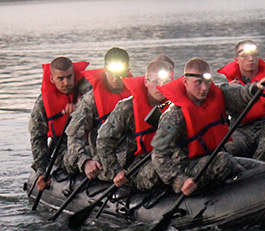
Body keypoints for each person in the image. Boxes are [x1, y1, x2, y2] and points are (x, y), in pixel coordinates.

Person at [152, 58, 265, 196]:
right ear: (185, 82)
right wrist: (179, 181)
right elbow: (158, 154)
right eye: (198, 83)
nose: (204, 88)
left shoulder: (216, 96)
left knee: (264, 169)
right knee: (223, 160)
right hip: (188, 169)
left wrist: (256, 88)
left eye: (207, 82)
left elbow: (239, 95)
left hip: (215, 158)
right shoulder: (173, 116)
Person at [96, 56, 175, 192]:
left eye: (165, 82)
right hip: (140, 164)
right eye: (155, 82)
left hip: (172, 156)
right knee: (161, 169)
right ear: (146, 82)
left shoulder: (176, 105)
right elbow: (104, 140)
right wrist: (115, 171)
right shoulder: (127, 108)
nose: (160, 87)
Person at [65, 47, 132, 180]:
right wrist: (85, 162)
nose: (115, 78)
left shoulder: (137, 95)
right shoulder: (91, 100)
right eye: (111, 72)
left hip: (133, 155)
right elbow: (74, 136)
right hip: (104, 159)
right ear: (105, 70)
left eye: (120, 73)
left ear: (128, 70)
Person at [28, 57, 92, 190]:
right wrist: (41, 171)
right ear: (52, 79)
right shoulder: (43, 104)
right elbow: (38, 138)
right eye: (60, 79)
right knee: (80, 155)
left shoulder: (88, 94)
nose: (66, 82)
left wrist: (80, 109)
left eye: (69, 77)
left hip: (91, 142)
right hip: (64, 148)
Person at [217, 40, 265, 159]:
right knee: (230, 145)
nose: (251, 59)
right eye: (245, 56)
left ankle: (261, 165)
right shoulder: (228, 87)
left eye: (254, 55)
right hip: (240, 130)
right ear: (236, 59)